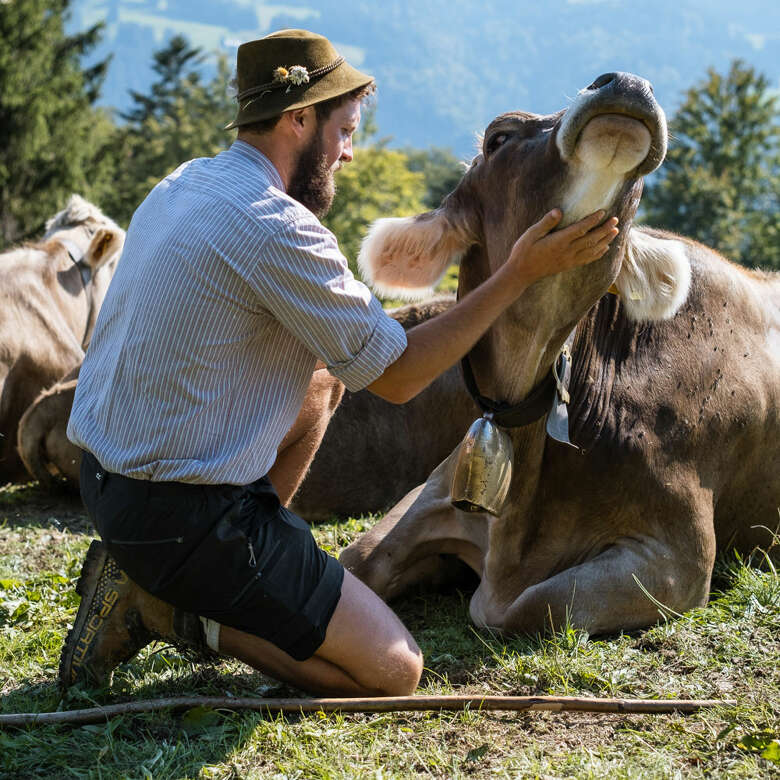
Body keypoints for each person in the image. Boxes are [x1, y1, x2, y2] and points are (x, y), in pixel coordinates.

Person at [60, 29, 619, 697]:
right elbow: (403, 375)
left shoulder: (185, 182)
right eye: (345, 130)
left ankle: (230, 570)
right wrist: (519, 275)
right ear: (300, 120)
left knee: (325, 377)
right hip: (180, 519)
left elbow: (353, 357)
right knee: (394, 672)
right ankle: (169, 609)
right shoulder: (277, 226)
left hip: (105, 480)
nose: (350, 153)